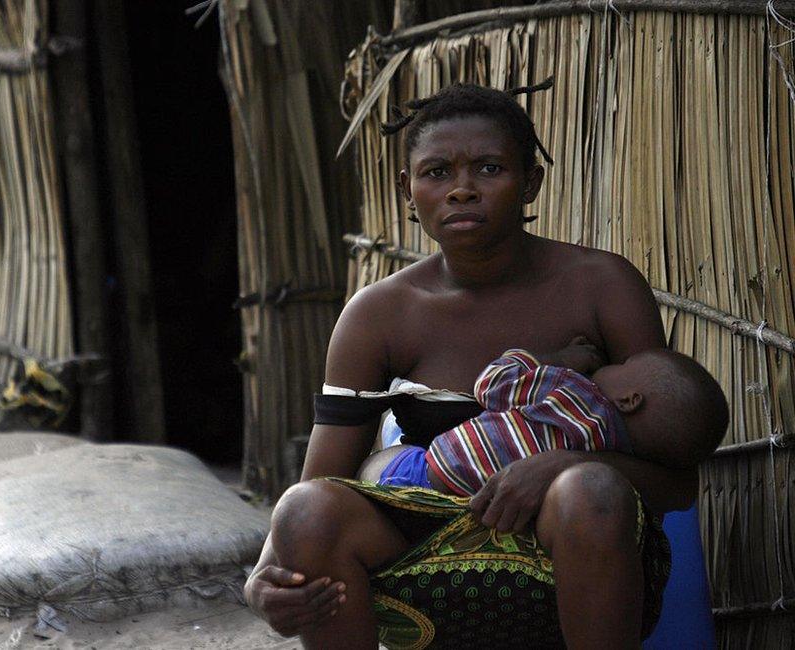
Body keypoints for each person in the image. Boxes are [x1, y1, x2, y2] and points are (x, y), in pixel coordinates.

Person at [244, 81, 723, 649]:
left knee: (589, 487)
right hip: (420, 548)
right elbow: (322, 482)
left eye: (489, 169)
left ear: (531, 181)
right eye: (437, 172)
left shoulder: (601, 286)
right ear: (407, 187)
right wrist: (262, 582)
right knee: (305, 512)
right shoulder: (378, 315)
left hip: (570, 543)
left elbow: (676, 481)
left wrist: (560, 464)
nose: (462, 191)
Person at [357, 341, 729, 497]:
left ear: (629, 400)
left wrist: (558, 358)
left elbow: (491, 385)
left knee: (377, 463)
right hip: (496, 515)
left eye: (623, 365)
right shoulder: (617, 457)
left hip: (432, 474)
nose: (610, 365)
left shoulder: (573, 392)